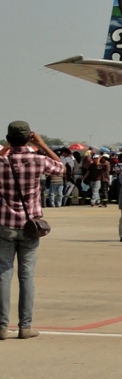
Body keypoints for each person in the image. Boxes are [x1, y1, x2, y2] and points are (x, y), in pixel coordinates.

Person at [0, 123, 64, 339]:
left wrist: (6, 148)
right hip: (30, 225)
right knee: (26, 276)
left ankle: (1, 326)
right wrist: (42, 145)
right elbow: (61, 168)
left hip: (5, 223)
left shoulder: (2, 160)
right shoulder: (38, 159)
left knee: (3, 274)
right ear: (29, 138)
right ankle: (25, 326)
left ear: (9, 138)